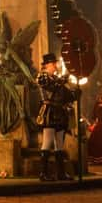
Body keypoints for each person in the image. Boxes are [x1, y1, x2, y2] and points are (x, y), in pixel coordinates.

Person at [36, 53, 78, 181]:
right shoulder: (42, 77)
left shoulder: (56, 78)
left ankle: (61, 173)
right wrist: (63, 80)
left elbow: (67, 95)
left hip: (60, 111)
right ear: (46, 65)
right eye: (53, 63)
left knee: (59, 144)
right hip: (49, 111)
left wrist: (75, 92)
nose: (55, 65)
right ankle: (43, 173)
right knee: (47, 142)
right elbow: (52, 87)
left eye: (55, 63)